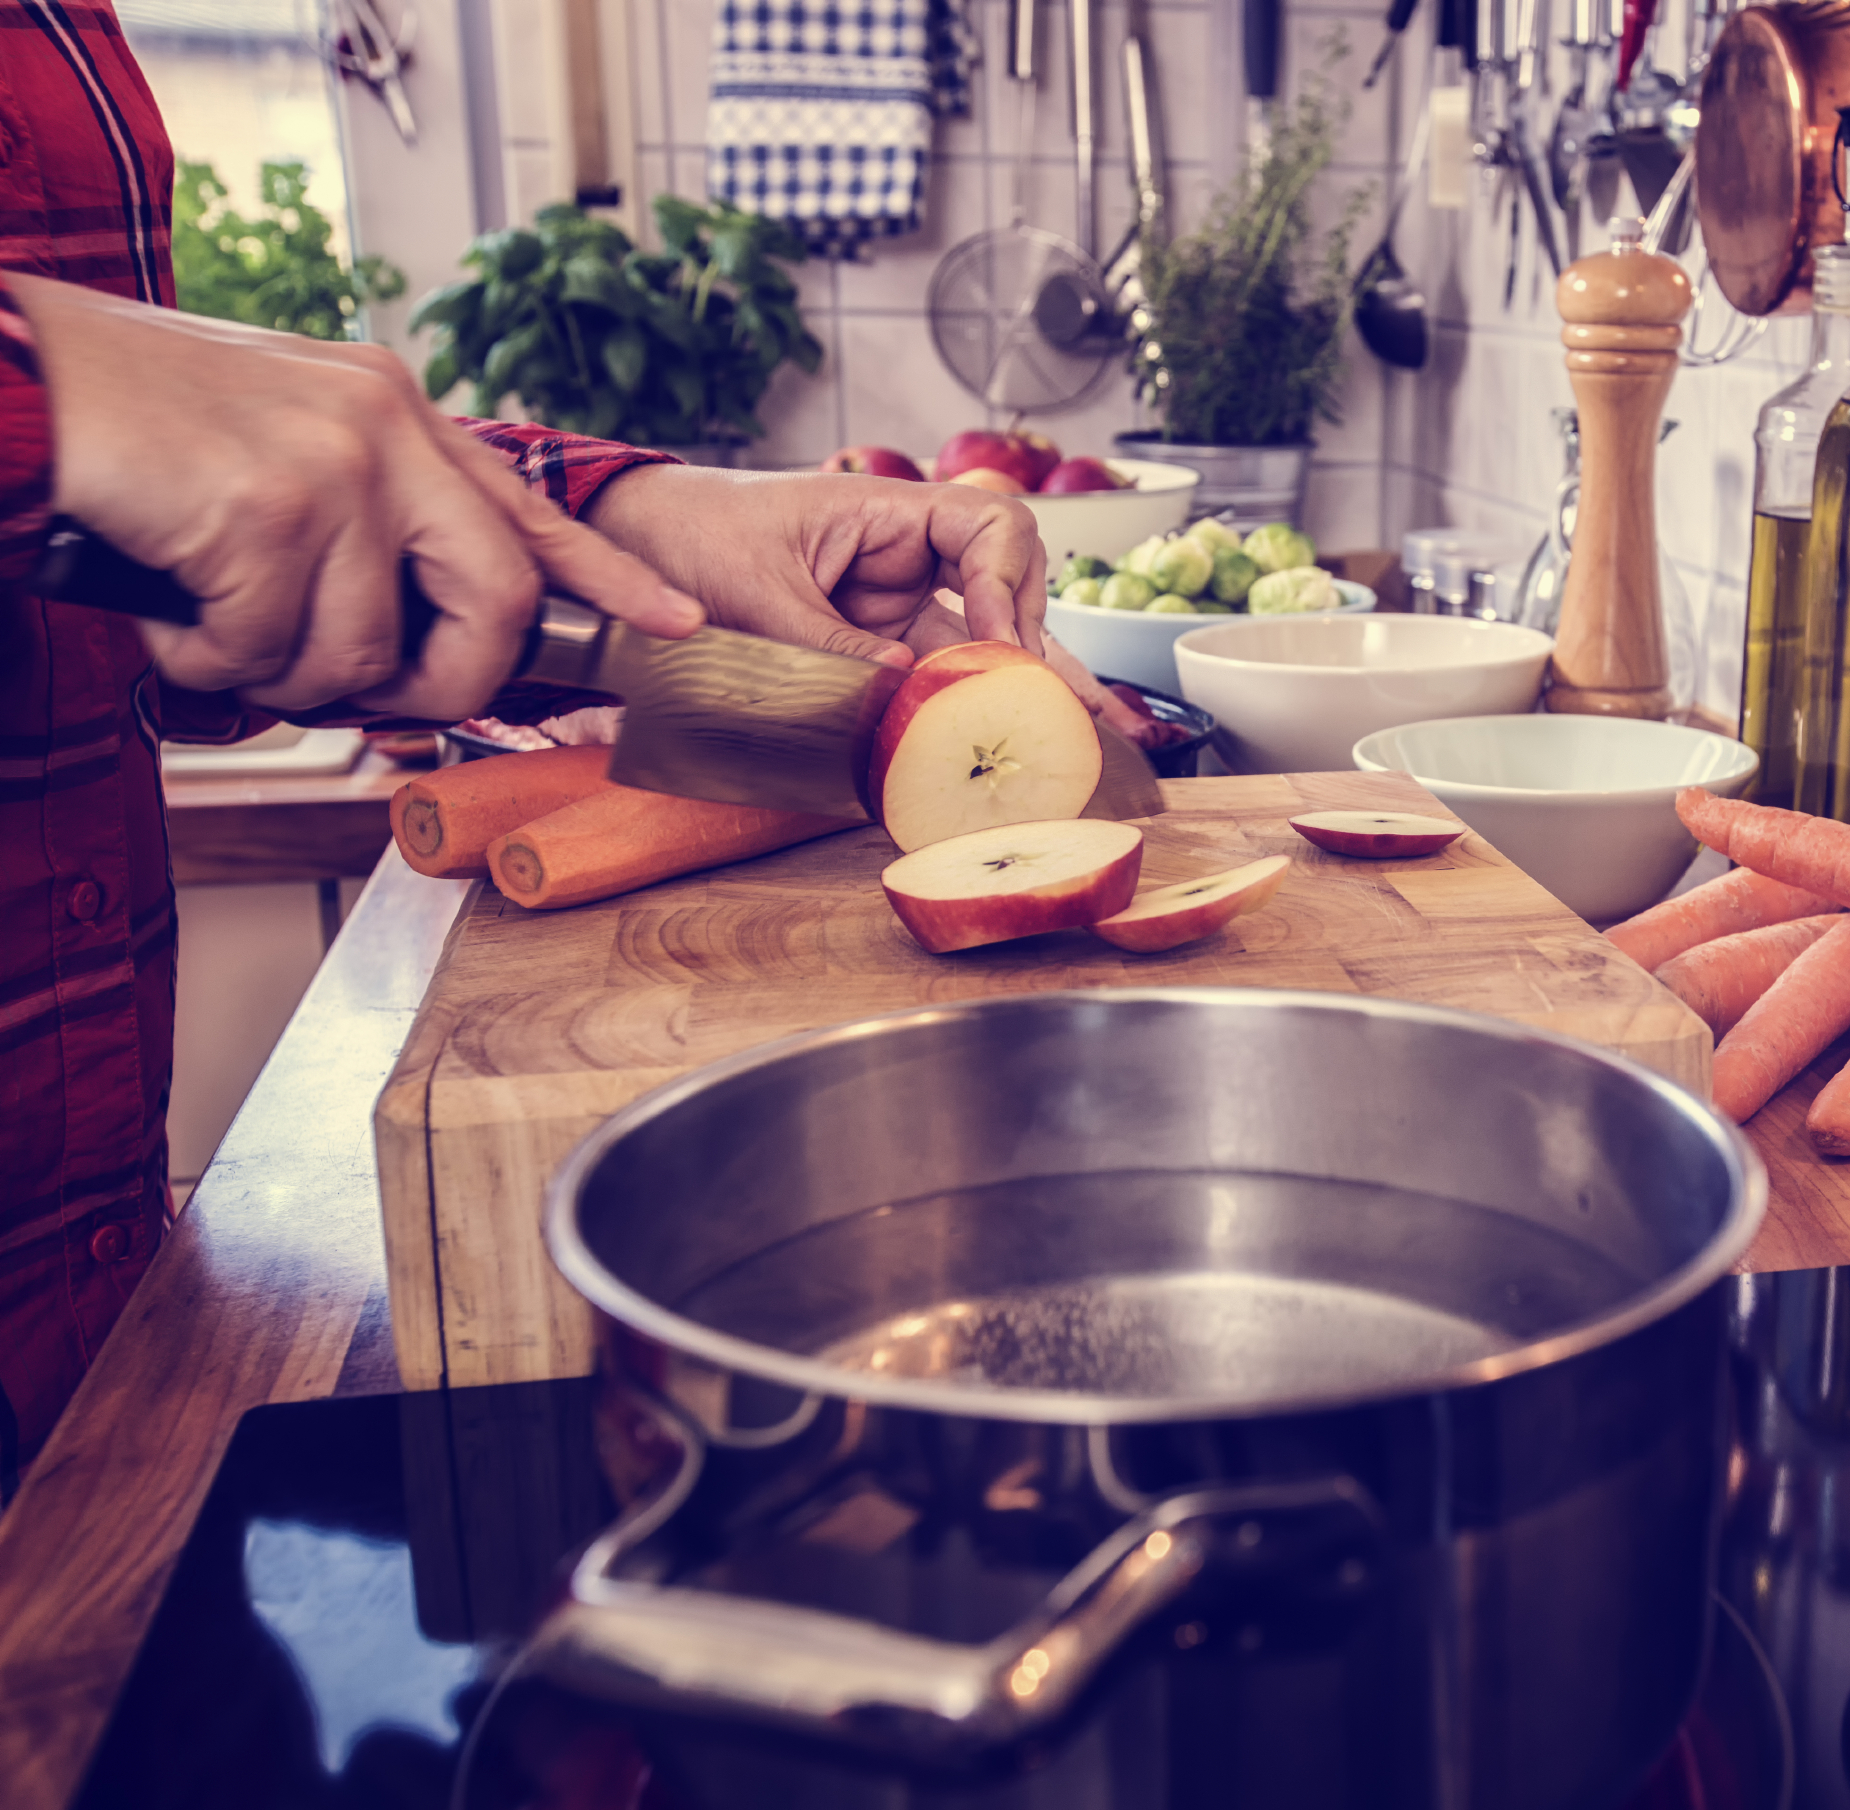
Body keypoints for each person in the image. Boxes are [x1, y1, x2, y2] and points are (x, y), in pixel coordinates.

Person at [0, 2, 1065, 1495]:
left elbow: (138, 578)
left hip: (83, 1325)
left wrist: (634, 517)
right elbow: (90, 452)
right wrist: (52, 401)